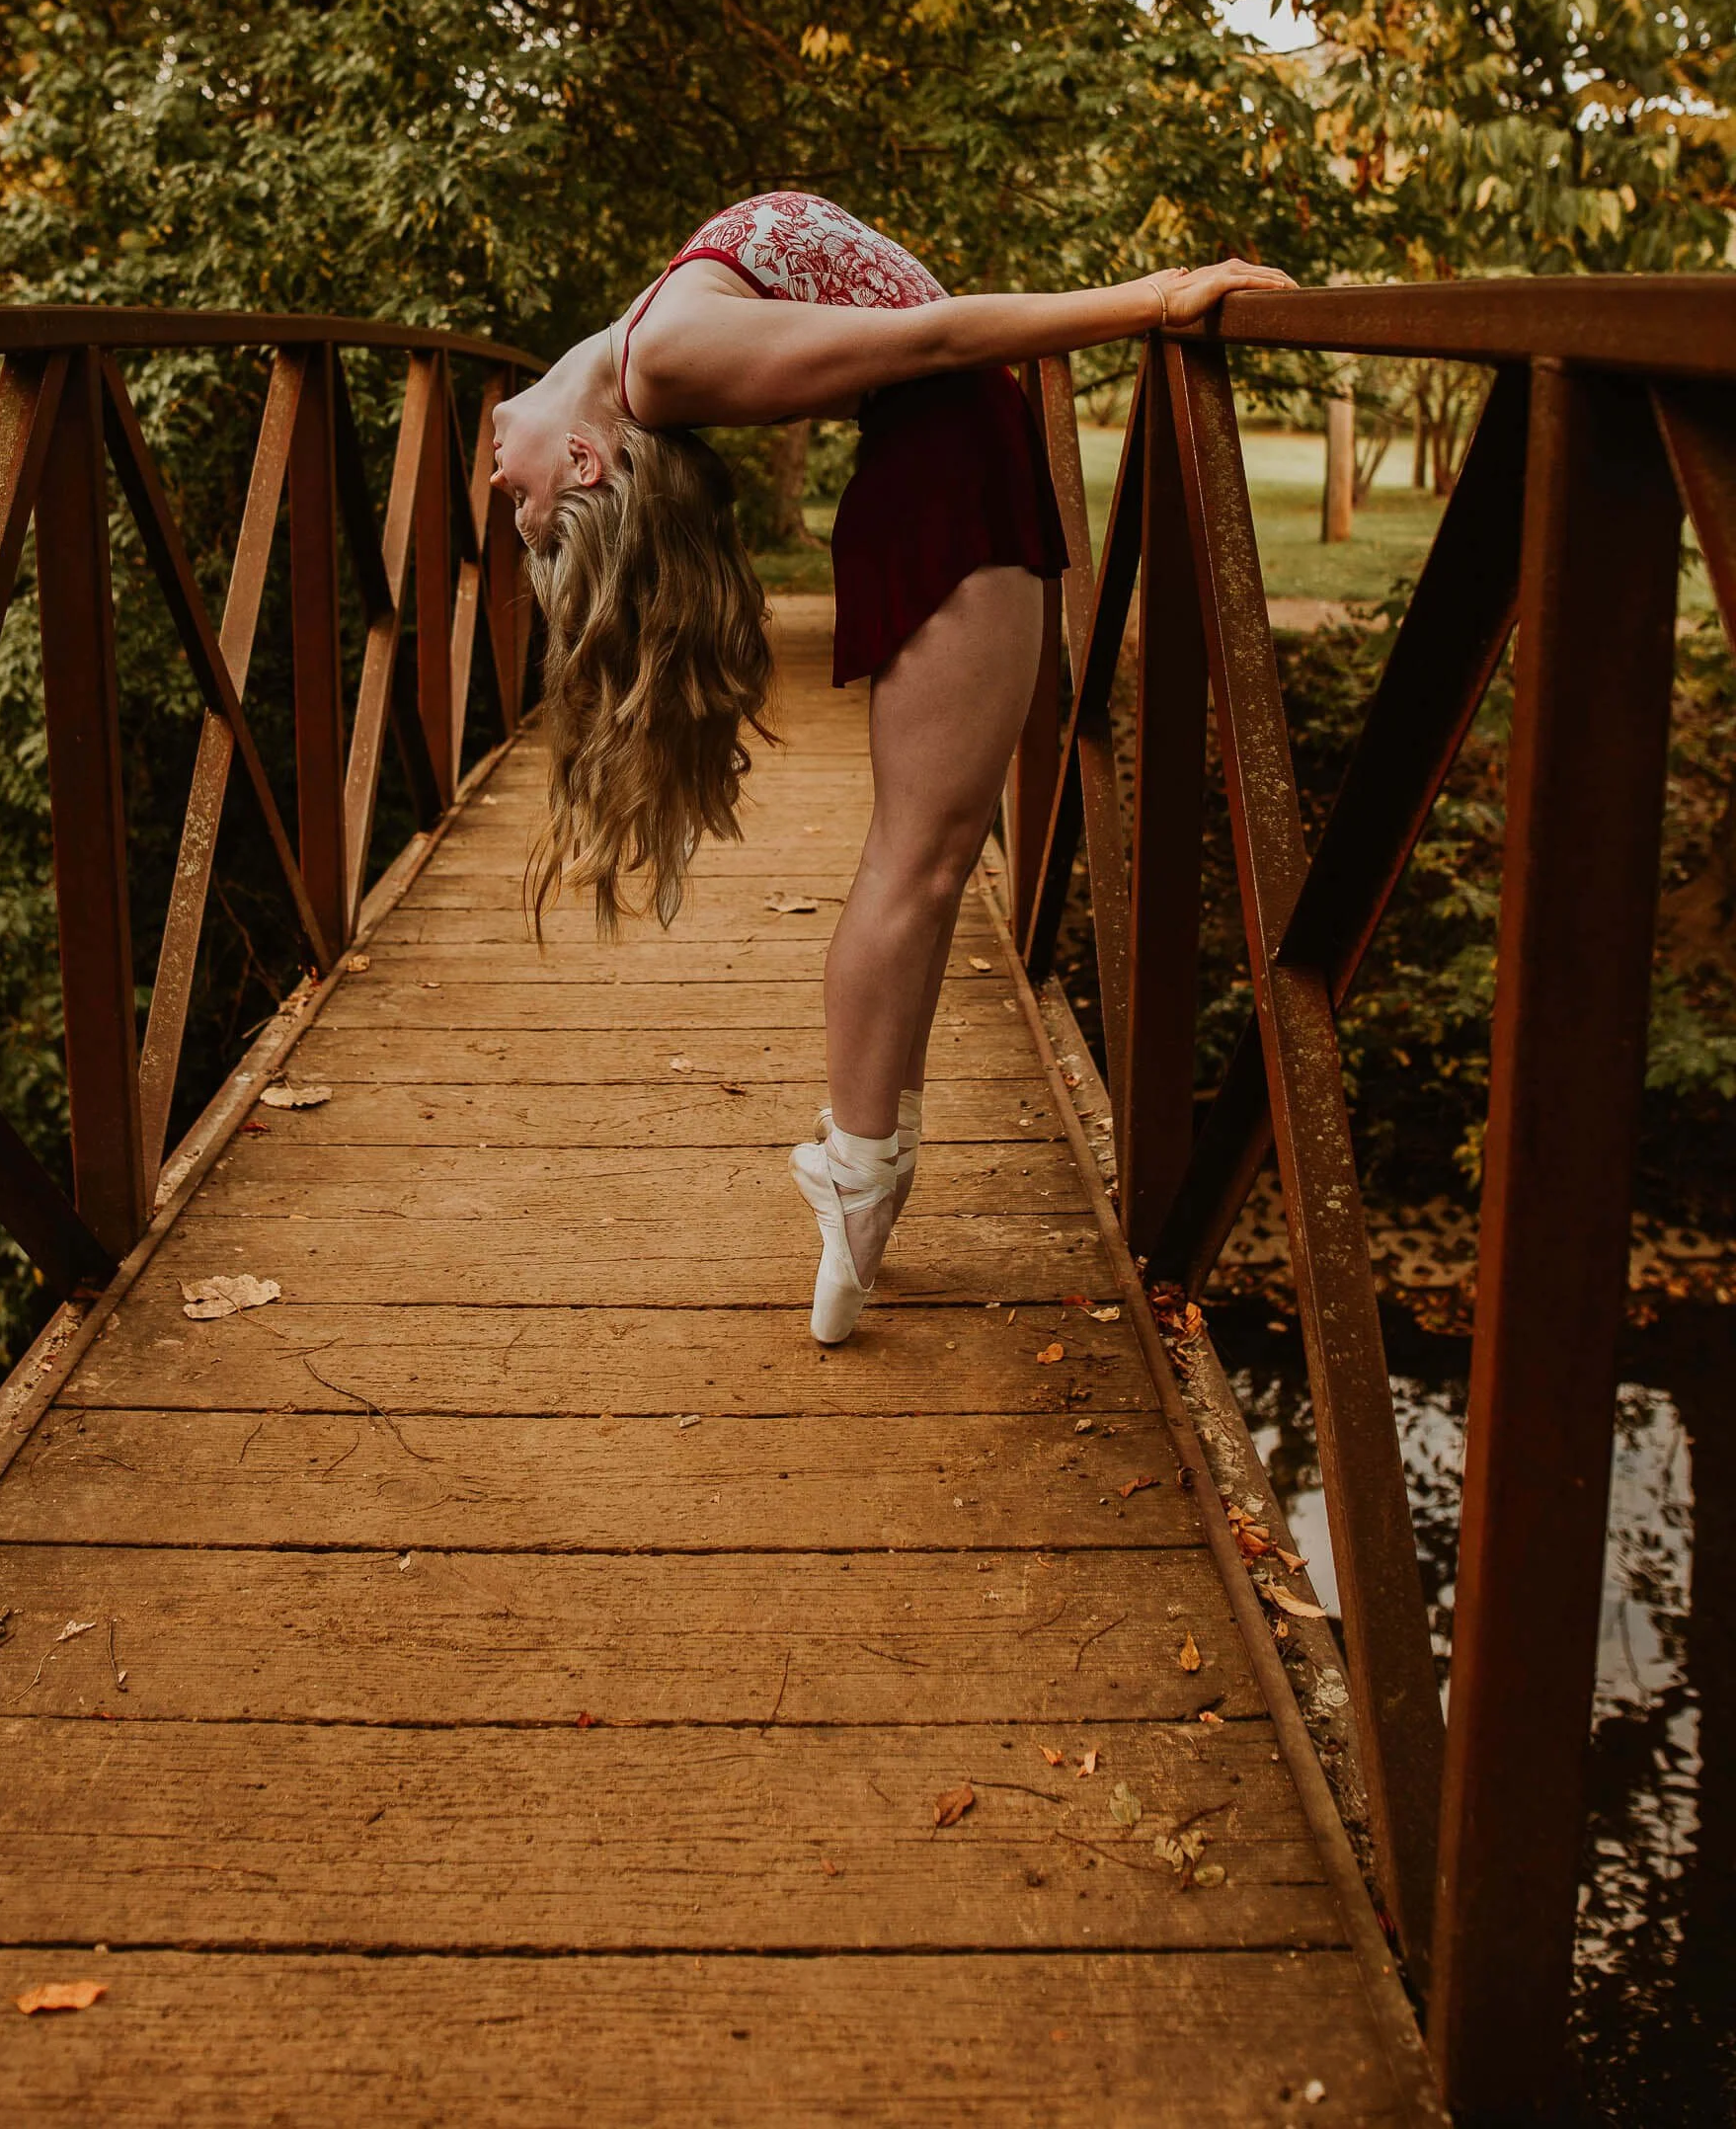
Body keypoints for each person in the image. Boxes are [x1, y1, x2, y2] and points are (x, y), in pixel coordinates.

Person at [489, 191, 1294, 1344]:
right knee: (918, 864)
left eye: (515, 501)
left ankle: (869, 1167)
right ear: (583, 452)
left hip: (952, 474)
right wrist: (1151, 299)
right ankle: (857, 1178)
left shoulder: (644, 347)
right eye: (523, 504)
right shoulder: (659, 360)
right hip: (948, 487)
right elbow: (934, 337)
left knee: (927, 859)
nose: (494, 484)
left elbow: (922, 340)